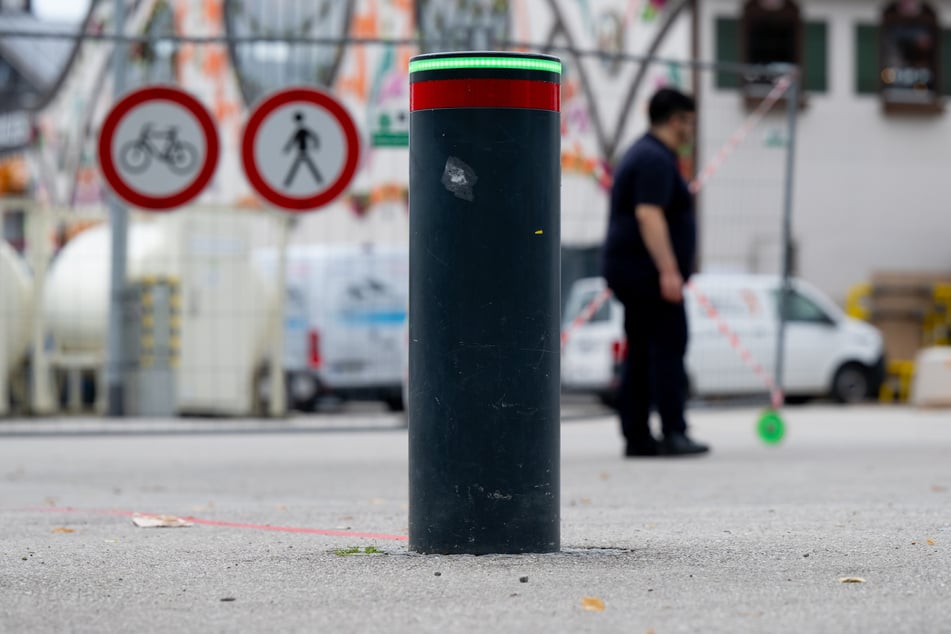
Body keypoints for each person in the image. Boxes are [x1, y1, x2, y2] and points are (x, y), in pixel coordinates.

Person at [601, 87, 710, 458]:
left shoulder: (643, 153)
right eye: (689, 122)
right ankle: (672, 430)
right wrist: (669, 271)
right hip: (648, 275)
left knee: (643, 352)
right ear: (677, 120)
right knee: (667, 346)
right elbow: (649, 213)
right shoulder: (655, 159)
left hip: (635, 272)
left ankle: (638, 435)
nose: (690, 131)